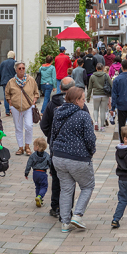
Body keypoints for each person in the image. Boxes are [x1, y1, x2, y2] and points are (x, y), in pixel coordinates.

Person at [51, 87, 97, 232]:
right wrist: (91, 153)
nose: (84, 102)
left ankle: (65, 223)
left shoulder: (57, 113)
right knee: (87, 186)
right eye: (83, 99)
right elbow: (90, 139)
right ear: (77, 100)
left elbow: (52, 135)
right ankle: (77, 215)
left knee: (65, 189)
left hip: (58, 156)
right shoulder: (83, 116)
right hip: (78, 157)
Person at [40, 77, 87, 218]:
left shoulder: (51, 104)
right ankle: (66, 209)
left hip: (56, 149)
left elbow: (44, 125)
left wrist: (52, 137)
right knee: (69, 181)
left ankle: (55, 207)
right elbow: (87, 126)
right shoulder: (80, 105)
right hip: (75, 151)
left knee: (56, 178)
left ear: (61, 88)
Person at [5, 62, 40, 156]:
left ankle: (27, 146)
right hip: (16, 108)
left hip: (28, 107)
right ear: (16, 70)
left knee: (29, 126)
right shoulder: (11, 81)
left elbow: (36, 92)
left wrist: (34, 101)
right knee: (18, 128)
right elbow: (7, 94)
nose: (21, 70)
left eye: (23, 68)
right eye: (19, 68)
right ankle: (20, 147)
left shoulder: (30, 80)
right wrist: (11, 104)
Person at [24, 137, 50, 207]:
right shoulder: (47, 155)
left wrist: (26, 173)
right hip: (43, 173)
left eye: (34, 146)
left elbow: (29, 164)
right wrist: (51, 172)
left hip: (35, 173)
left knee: (37, 186)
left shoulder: (33, 155)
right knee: (44, 186)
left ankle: (37, 198)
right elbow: (50, 163)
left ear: (37, 147)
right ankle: (39, 196)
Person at [86, 63, 111, 132]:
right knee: (103, 110)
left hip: (96, 95)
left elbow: (90, 88)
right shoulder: (106, 75)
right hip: (105, 95)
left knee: (95, 109)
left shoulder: (92, 76)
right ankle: (102, 126)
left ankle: (96, 122)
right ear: (102, 68)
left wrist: (88, 97)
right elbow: (111, 85)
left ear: (96, 68)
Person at [0, 51, 17, 116]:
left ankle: (7, 111)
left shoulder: (3, 63)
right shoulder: (15, 63)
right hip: (13, 81)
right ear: (14, 56)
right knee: (13, 95)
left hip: (5, 82)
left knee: (6, 96)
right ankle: (13, 109)